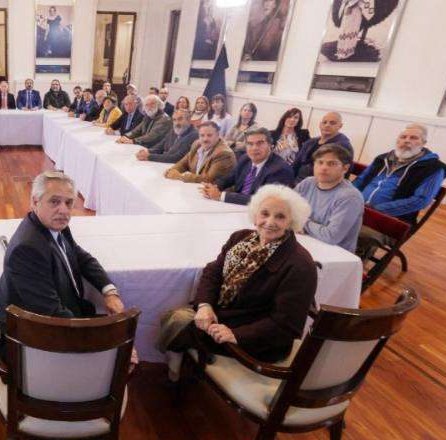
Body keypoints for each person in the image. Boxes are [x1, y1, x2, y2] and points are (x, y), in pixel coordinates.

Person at [156, 185, 316, 380]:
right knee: (173, 318)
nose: (269, 222)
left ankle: (177, 375)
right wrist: (205, 306)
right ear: (255, 214)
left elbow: (286, 326)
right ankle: (181, 369)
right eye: (264, 213)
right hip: (228, 316)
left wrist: (236, 335)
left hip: (259, 339)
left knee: (177, 321)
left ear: (292, 221)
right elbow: (213, 271)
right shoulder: (241, 237)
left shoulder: (300, 265)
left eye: (280, 217)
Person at [0, 171, 125, 354]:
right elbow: (53, 314)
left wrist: (109, 291)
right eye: (54, 201)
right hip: (36, 338)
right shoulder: (27, 250)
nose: (63, 210)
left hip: (62, 315)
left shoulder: (55, 224)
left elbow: (82, 257)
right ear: (35, 202)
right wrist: (107, 342)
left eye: (68, 203)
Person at [353, 124, 446, 258]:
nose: (407, 140)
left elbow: (420, 200)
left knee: (356, 233)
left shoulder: (433, 168)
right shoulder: (382, 159)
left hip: (392, 220)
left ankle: (352, 270)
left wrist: (376, 210)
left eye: (413, 138)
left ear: (423, 143)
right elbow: (359, 181)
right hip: (359, 209)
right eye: (403, 137)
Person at [294, 144, 364, 252]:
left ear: (345, 168)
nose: (324, 168)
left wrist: (303, 222)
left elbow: (331, 236)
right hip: (304, 240)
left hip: (333, 253)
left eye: (332, 163)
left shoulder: (350, 197)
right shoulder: (308, 182)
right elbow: (285, 209)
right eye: (320, 162)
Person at [202, 127, 294, 205]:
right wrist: (213, 187)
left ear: (270, 145)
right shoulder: (245, 159)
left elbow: (265, 201)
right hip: (236, 209)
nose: (254, 148)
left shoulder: (281, 170)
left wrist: (220, 196)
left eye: (260, 143)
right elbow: (228, 178)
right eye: (250, 144)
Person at [165, 121, 236, 183]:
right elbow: (184, 163)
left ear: (218, 135)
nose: (205, 139)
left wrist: (180, 176)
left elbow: (208, 179)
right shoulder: (197, 144)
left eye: (209, 135)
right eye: (202, 135)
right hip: (195, 188)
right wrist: (171, 170)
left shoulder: (223, 153)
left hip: (214, 194)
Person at [291, 112, 353, 182]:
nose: (327, 125)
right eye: (324, 122)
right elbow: (296, 165)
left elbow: (342, 175)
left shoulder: (342, 147)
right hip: (297, 182)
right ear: (320, 124)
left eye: (332, 123)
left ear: (340, 126)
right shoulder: (310, 142)